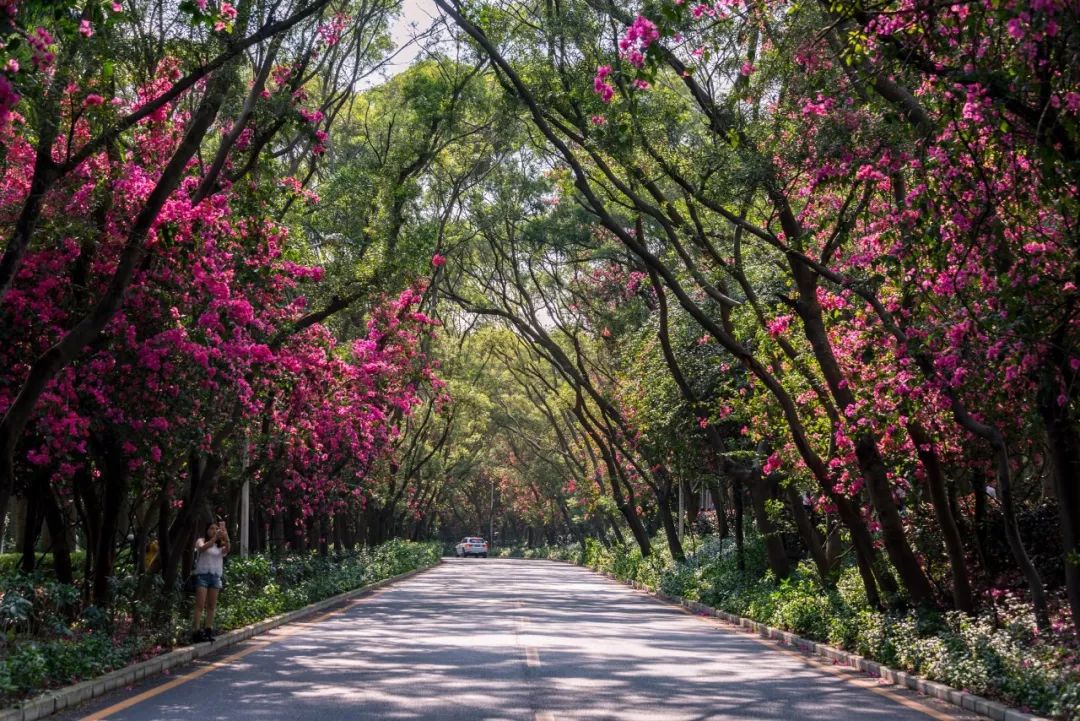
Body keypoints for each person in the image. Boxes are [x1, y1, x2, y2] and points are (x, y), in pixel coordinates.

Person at [191, 519, 229, 643]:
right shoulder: (201, 541)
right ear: (207, 531)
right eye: (211, 528)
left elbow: (227, 549)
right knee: (200, 605)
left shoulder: (220, 544)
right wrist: (214, 539)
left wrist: (226, 536)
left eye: (215, 528)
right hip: (202, 576)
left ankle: (208, 630)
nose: (214, 531)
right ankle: (196, 632)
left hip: (215, 577)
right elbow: (201, 549)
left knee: (211, 606)